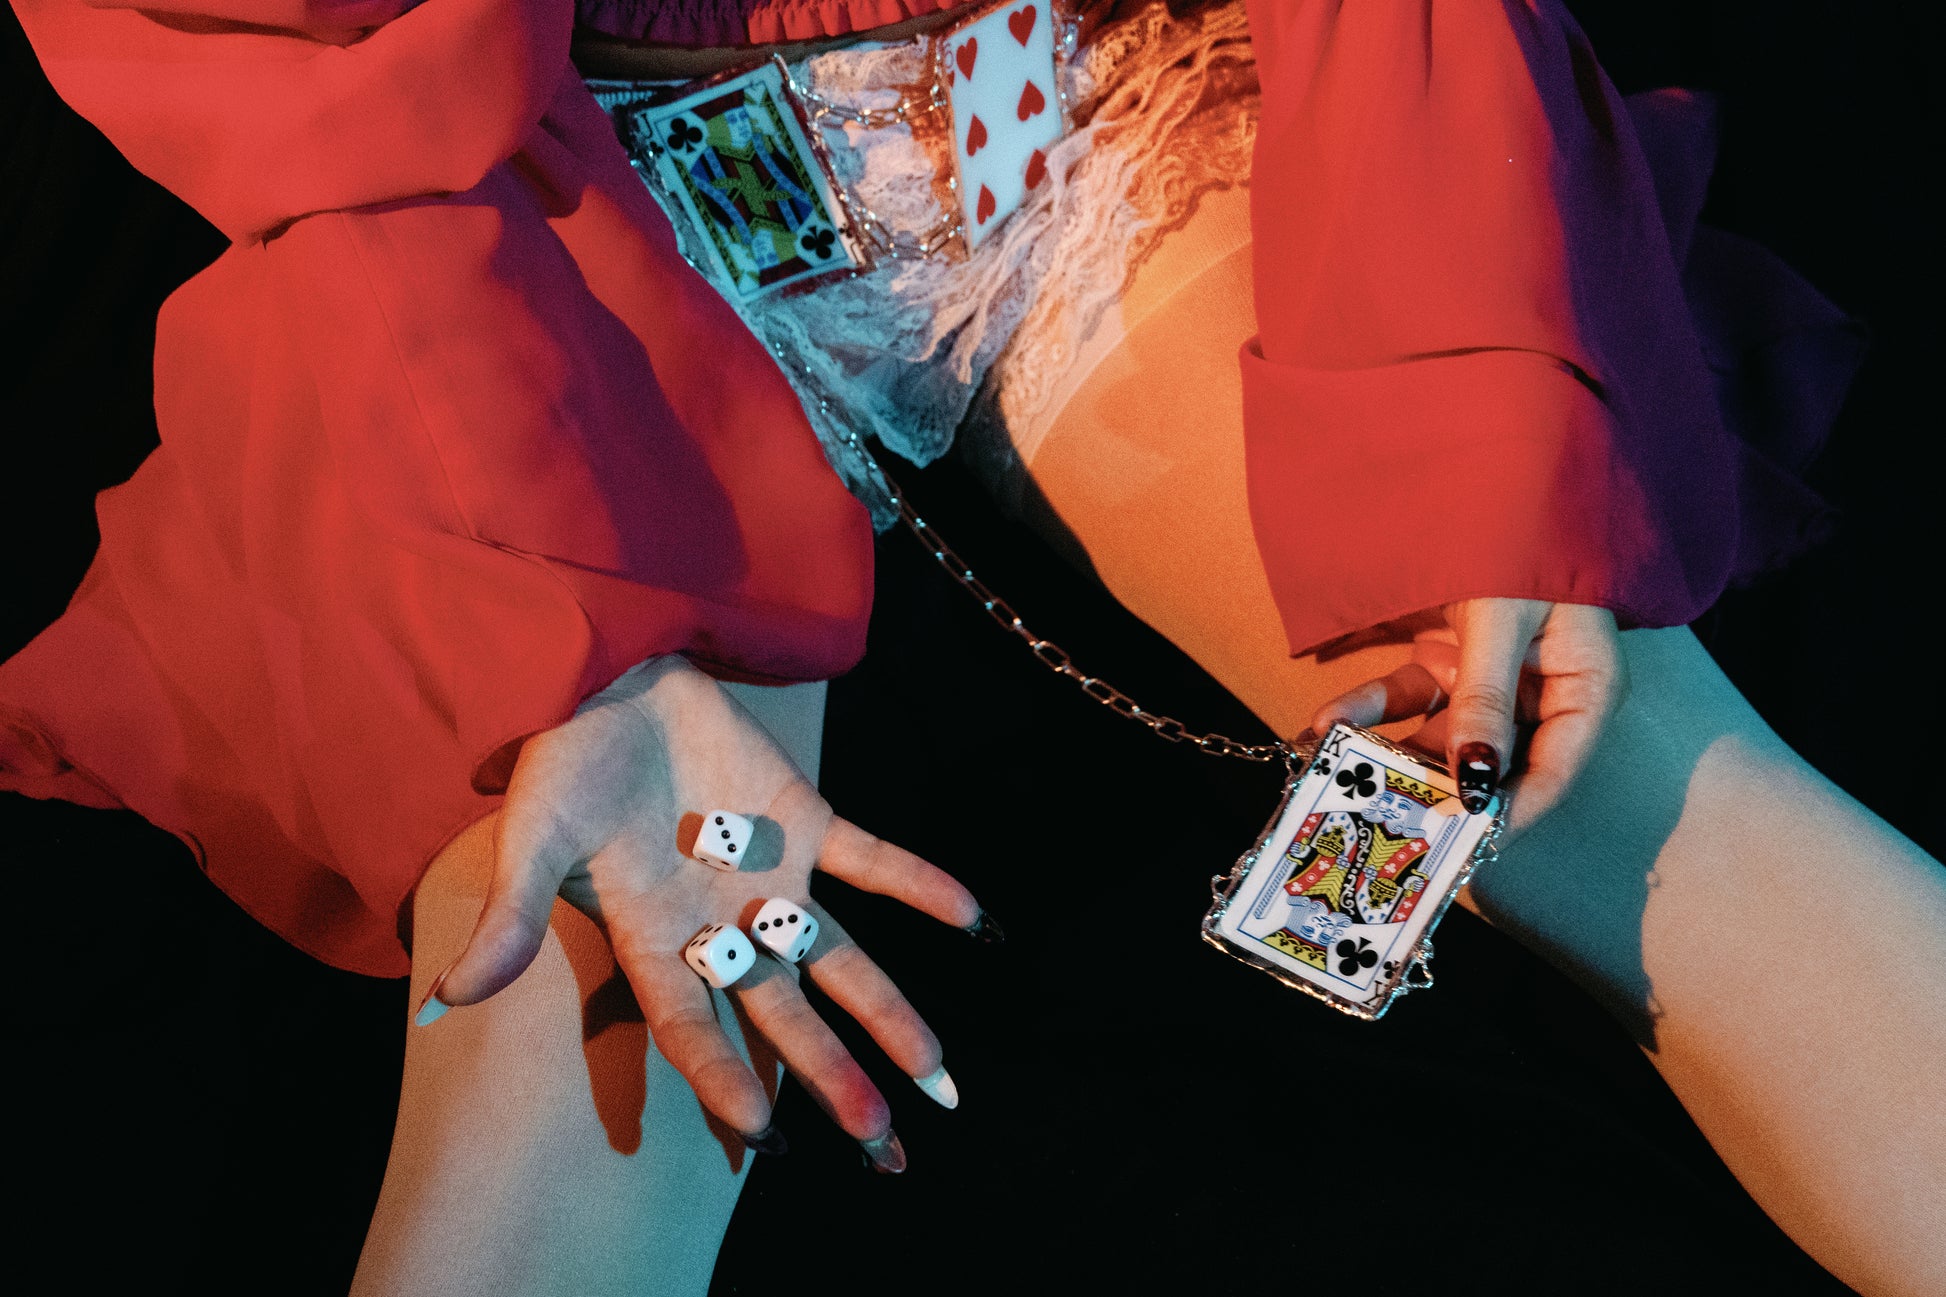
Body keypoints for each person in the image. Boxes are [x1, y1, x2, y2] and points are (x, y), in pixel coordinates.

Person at [2, 3, 1939, 1297]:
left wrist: (1464, 373)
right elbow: (297, 54)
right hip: (522, 227)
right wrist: (562, 629)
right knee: (602, 977)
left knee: (1568, 754)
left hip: (1093, 115)